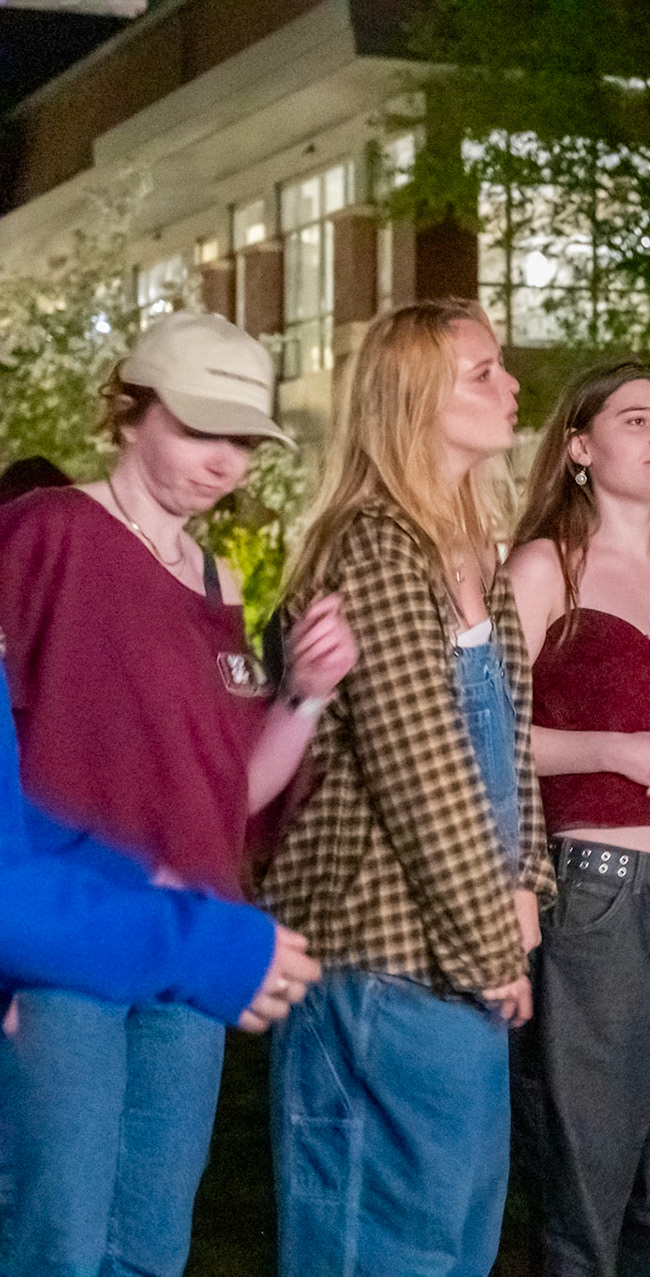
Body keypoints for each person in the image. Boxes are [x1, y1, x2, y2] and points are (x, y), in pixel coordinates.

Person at [0, 311, 353, 1277]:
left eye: (244, 439)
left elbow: (229, 793)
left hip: (191, 943)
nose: (225, 460)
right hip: (69, 946)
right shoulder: (45, 530)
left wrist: (307, 696)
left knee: (152, 1245)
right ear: (129, 411)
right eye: (201, 428)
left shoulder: (216, 578)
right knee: (57, 1238)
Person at [261, 299, 554, 1277]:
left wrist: (526, 884)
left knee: (457, 1242)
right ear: (415, 400)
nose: (511, 385)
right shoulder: (375, 550)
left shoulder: (471, 551)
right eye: (483, 372)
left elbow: (508, 740)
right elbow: (422, 773)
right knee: (381, 1249)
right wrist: (491, 943)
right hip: (381, 954)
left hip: (462, 953)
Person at [506, 360, 650, 1276]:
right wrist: (609, 748)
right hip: (599, 900)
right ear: (579, 446)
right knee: (587, 1178)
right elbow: (489, 737)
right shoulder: (544, 568)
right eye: (636, 419)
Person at [0, 656, 319, 1030]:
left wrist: (136, 877)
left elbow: (16, 825)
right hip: (92, 941)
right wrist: (202, 945)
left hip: (122, 916)